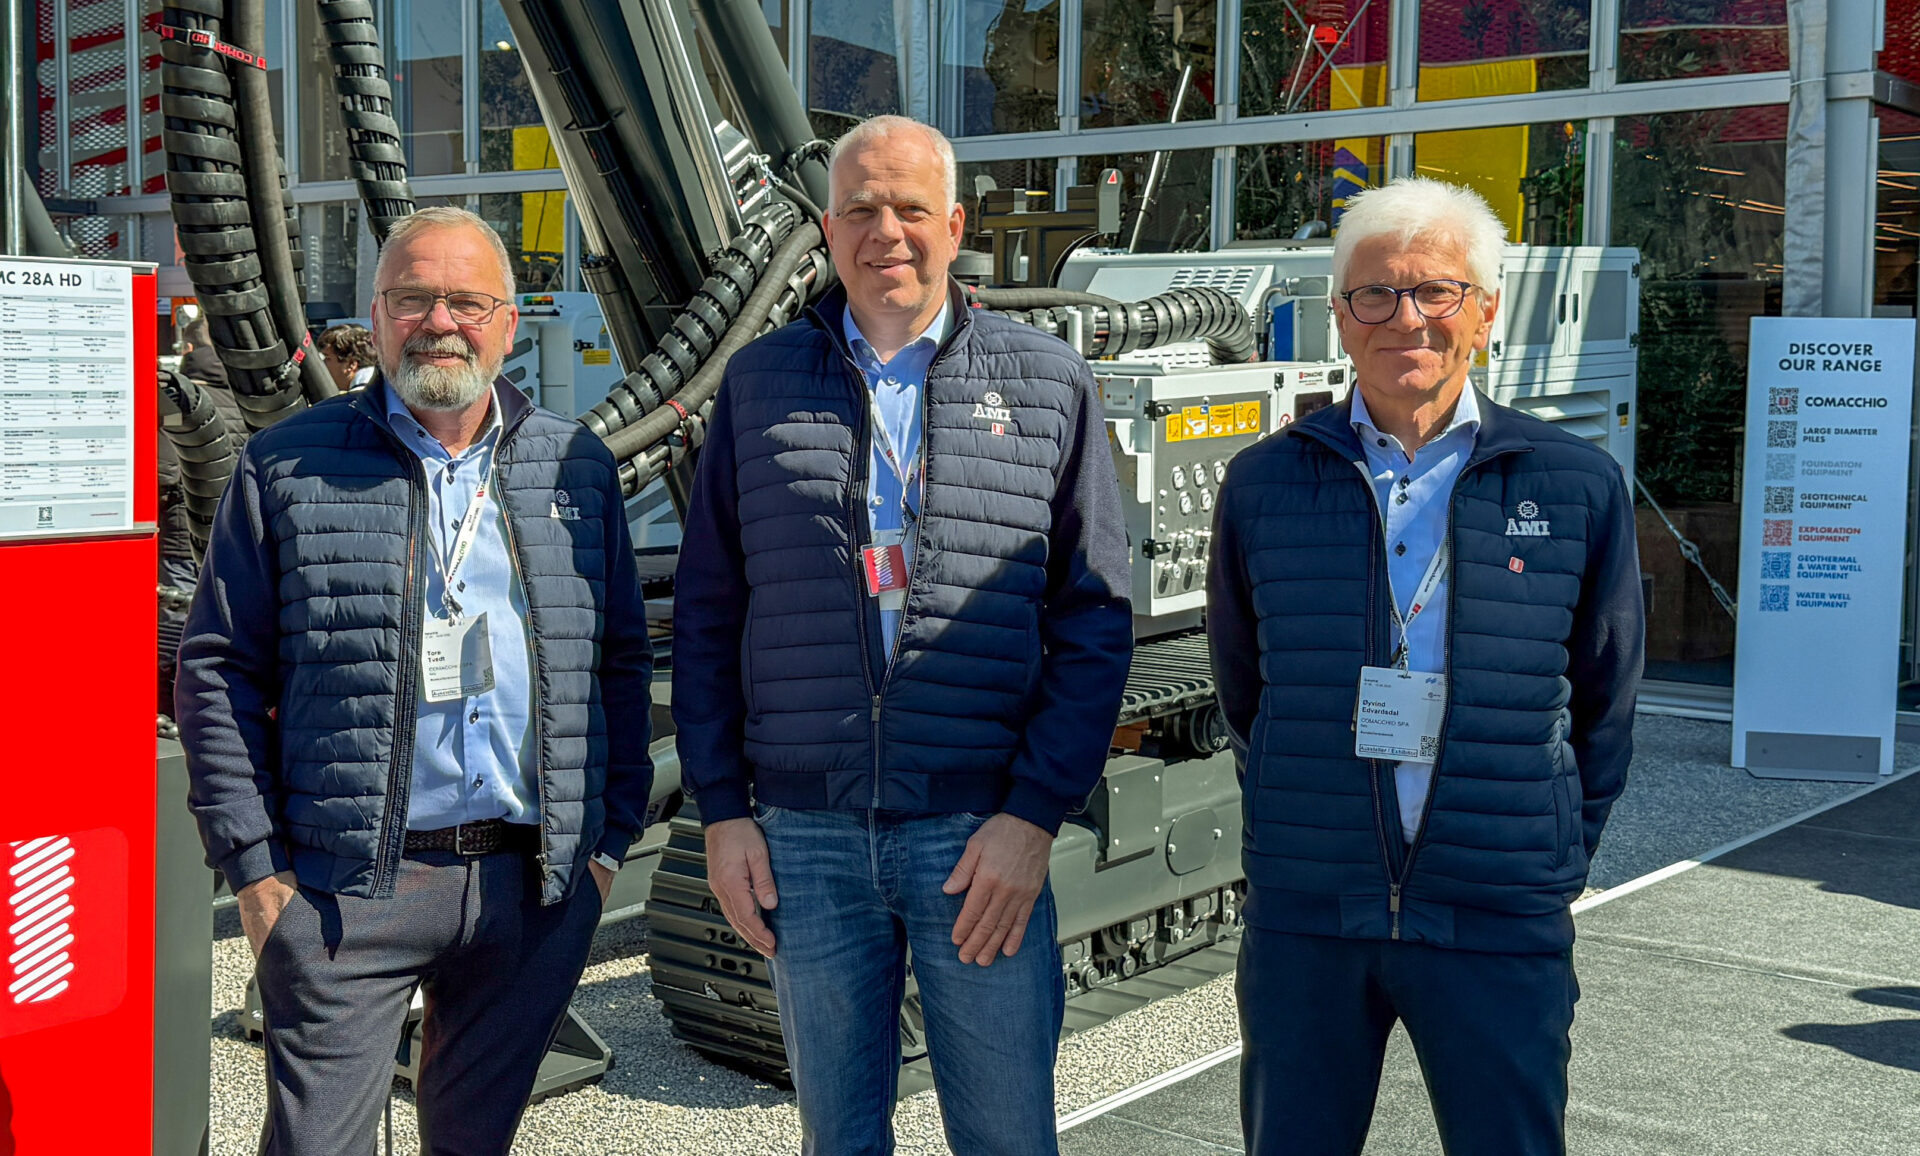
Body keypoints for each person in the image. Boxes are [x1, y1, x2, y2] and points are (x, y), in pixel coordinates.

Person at [673, 115, 1133, 1155]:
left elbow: (1096, 619)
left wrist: (1034, 814)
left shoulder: (1048, 381)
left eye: (911, 207)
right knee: (838, 1138)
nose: (888, 230)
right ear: (828, 231)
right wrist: (723, 814)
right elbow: (708, 613)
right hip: (805, 835)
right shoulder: (759, 384)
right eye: (862, 210)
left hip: (977, 840)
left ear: (956, 225)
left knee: (1008, 1134)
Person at [174, 206, 656, 1155]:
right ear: (377, 311)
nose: (441, 321)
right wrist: (259, 876)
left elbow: (622, 662)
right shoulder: (288, 465)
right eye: (414, 297)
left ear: (511, 323)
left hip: (532, 885)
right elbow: (217, 669)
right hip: (345, 892)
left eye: (468, 301)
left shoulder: (575, 467)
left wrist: (606, 845)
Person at [1208, 177, 1644, 1156]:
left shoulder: (1573, 485)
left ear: (1485, 312)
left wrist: (1550, 856)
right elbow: (1247, 689)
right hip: (1309, 917)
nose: (1406, 317)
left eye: (1437, 291)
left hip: (1496, 914)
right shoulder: (1265, 485)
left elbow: (1604, 698)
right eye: (1376, 293)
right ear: (1341, 318)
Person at [317, 322, 377, 389]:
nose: (322, 364)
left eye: (327, 358)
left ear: (351, 364)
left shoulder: (359, 397)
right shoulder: (382, 387)